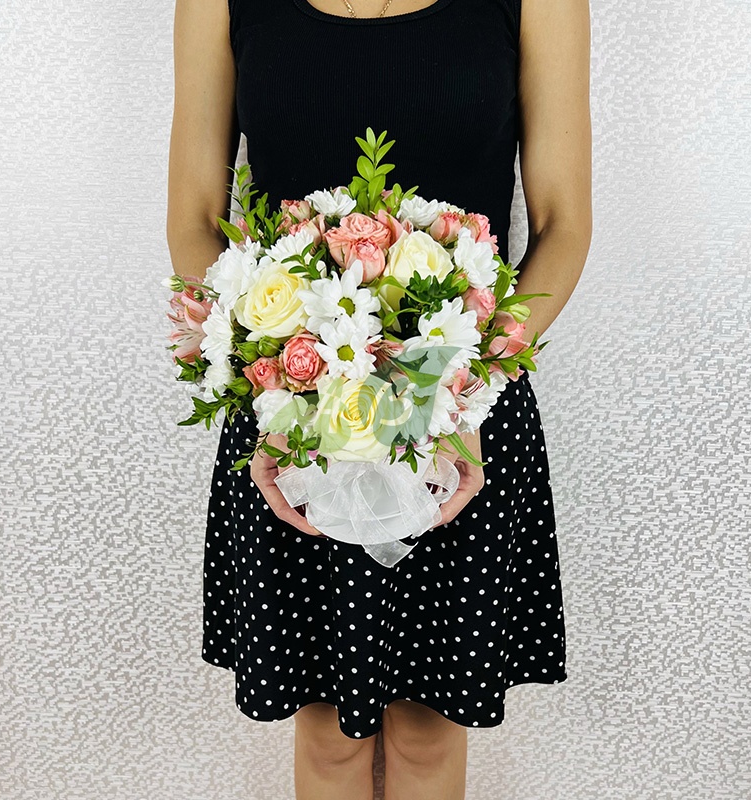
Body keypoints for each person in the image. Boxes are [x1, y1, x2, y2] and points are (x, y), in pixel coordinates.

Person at [166, 0, 591, 797]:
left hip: (469, 410)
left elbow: (564, 225)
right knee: (327, 734)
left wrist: (458, 392)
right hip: (287, 406)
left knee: (430, 733)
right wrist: (278, 373)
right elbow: (194, 218)